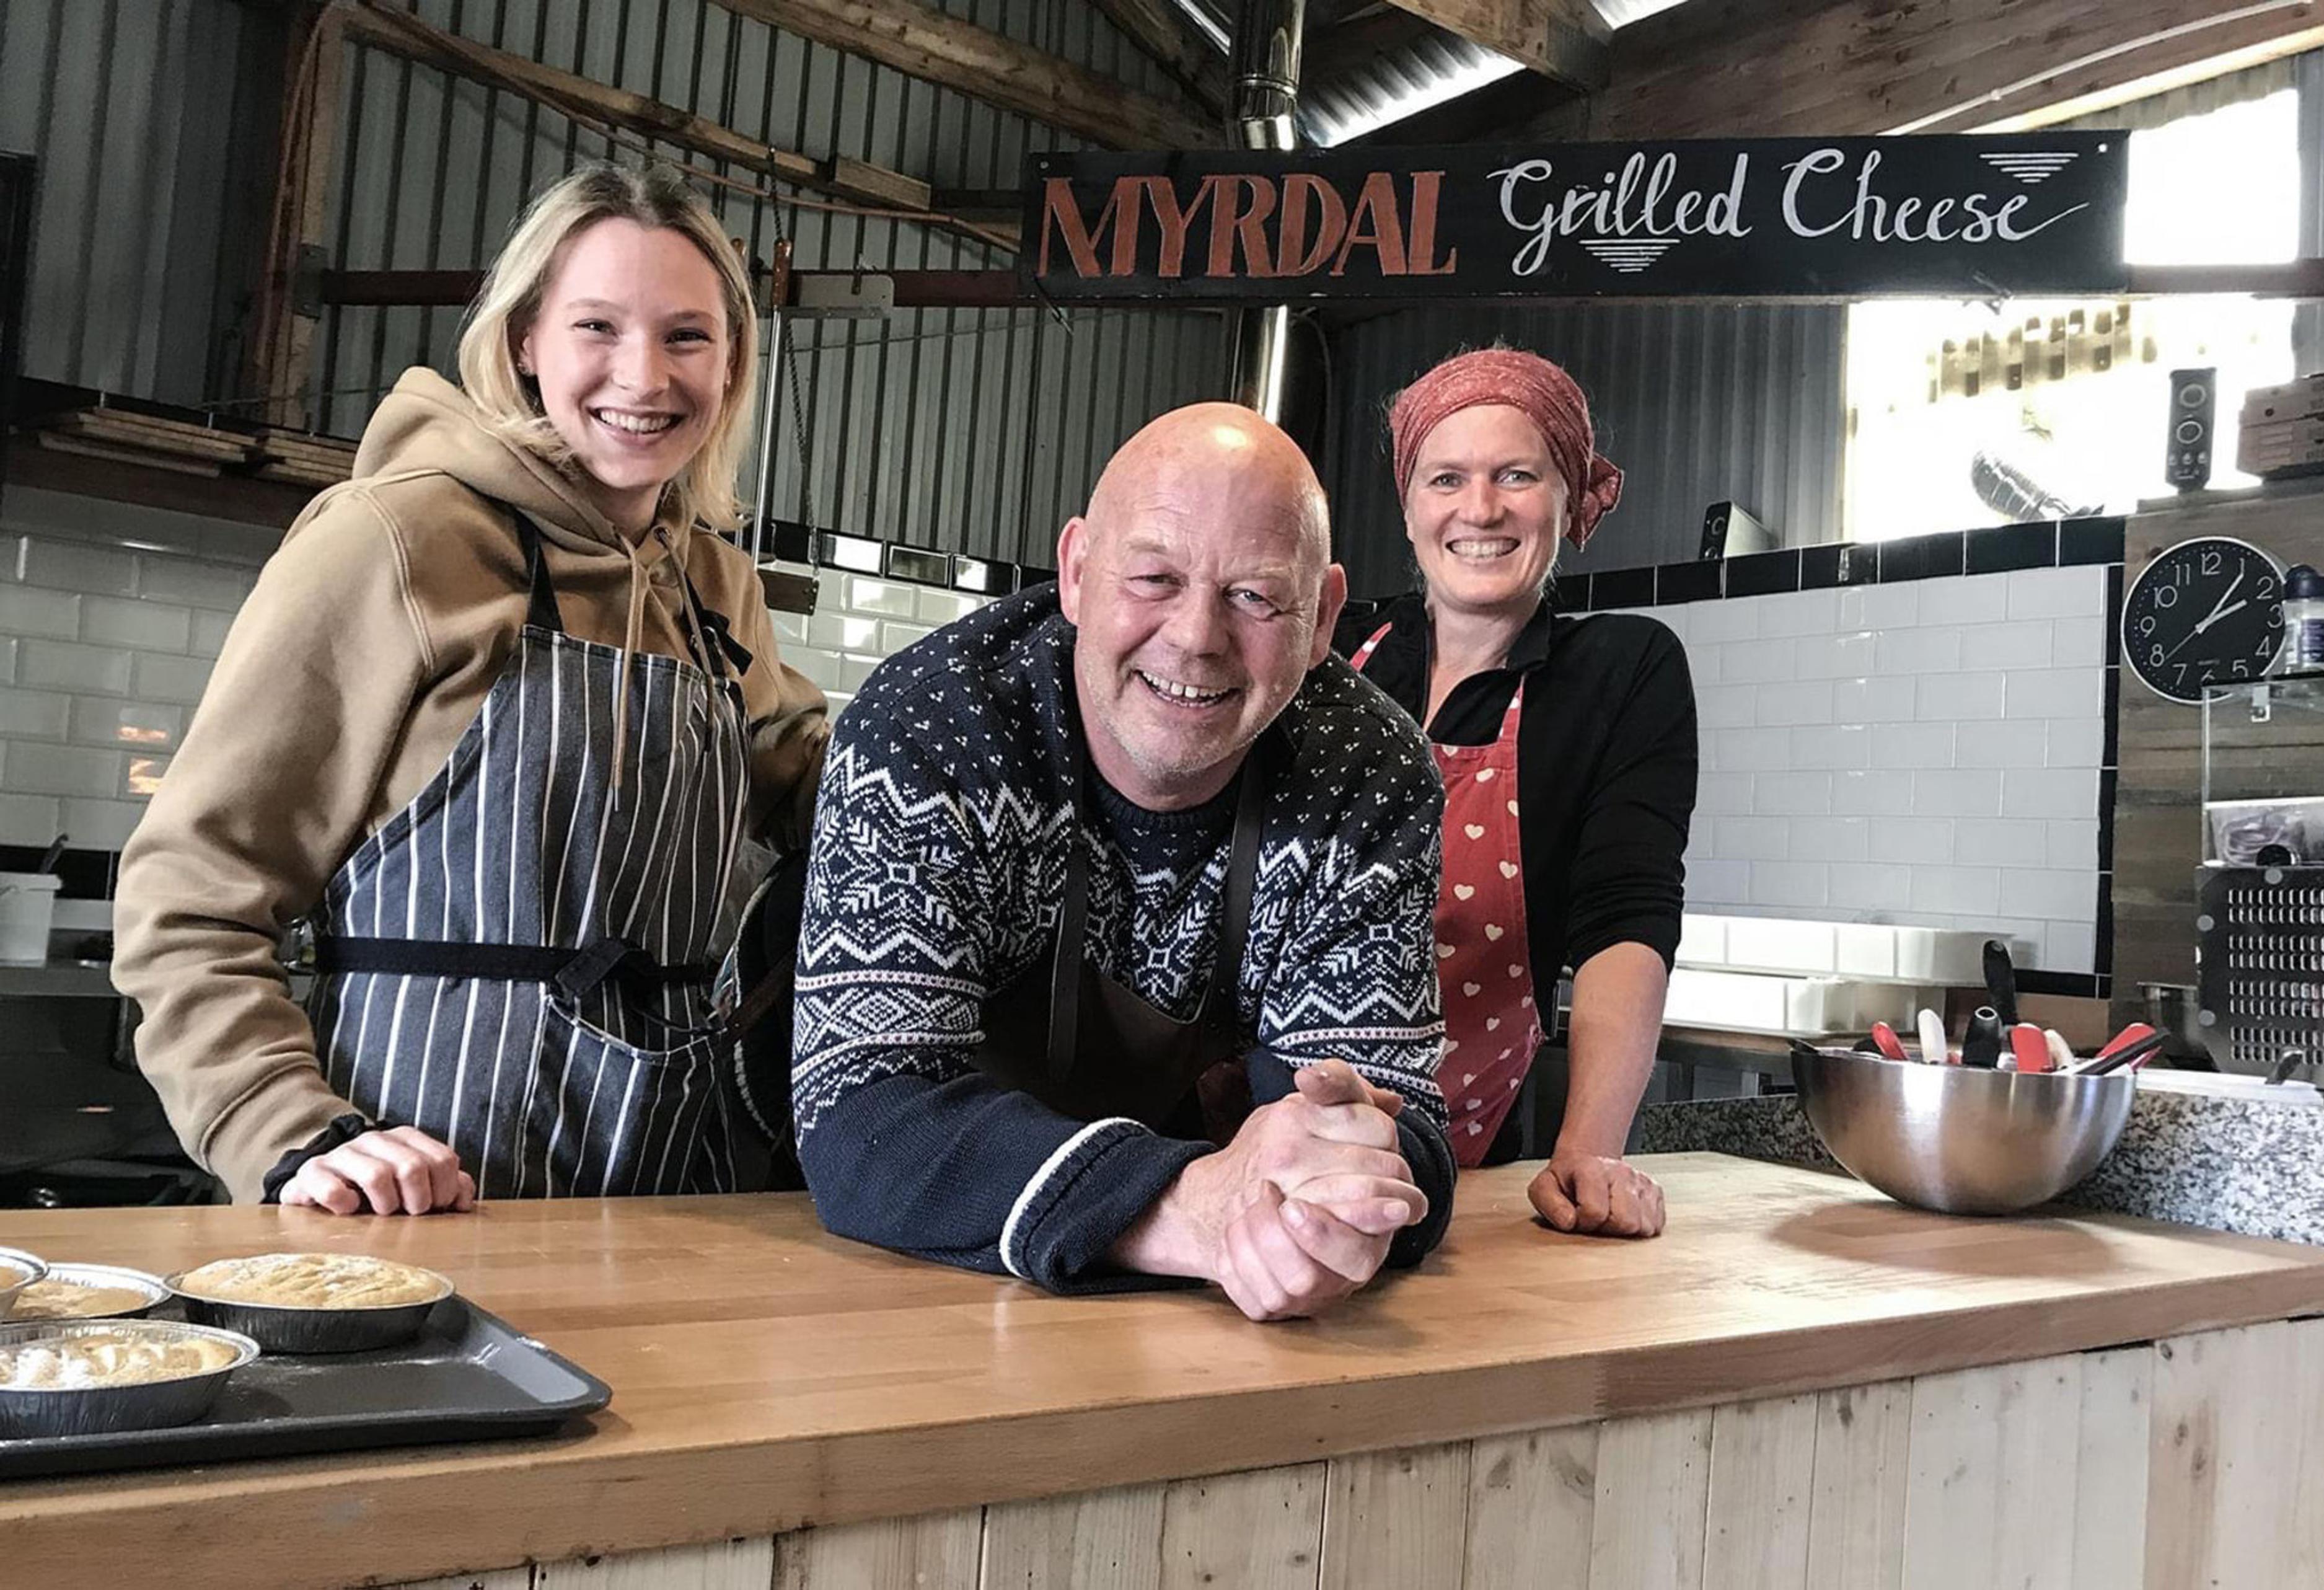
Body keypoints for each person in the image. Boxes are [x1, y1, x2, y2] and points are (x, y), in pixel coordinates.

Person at [114, 165, 829, 1213]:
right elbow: (190, 892)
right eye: (597, 327)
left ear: (732, 363)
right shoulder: (396, 541)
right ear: (525, 342)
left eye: (687, 336)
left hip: (675, 1195)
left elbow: (821, 788)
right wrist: (290, 1132)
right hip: (415, 1193)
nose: (645, 376)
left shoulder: (715, 585)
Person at [790, 403, 1455, 1322]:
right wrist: (1190, 1208)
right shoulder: (930, 729)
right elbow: (860, 1113)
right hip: (899, 1287)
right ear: (1075, 571)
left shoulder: (1367, 776)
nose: (1195, 636)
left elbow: (1396, 1123)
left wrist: (1341, 1193)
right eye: (1154, 577)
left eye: (1256, 596)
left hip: (1188, 1320)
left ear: (1323, 617)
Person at [1334, 347, 1696, 1237]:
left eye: (1517, 475)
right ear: (1411, 506)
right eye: (1445, 477)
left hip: (1458, 1179)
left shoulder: (1622, 671)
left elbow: (1626, 915)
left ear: (1569, 500)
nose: (1480, 508)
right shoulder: (1333, 656)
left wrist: (1592, 1150)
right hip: (1255, 1130)